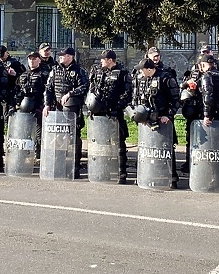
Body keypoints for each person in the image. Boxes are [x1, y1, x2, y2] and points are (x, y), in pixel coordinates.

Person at [86, 49, 133, 184]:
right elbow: (92, 89)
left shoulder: (122, 74)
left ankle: (121, 173)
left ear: (110, 60)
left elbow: (127, 93)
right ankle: (103, 171)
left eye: (103, 59)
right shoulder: (98, 71)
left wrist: (116, 107)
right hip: (99, 114)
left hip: (114, 114)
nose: (101, 61)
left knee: (119, 144)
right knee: (101, 144)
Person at [133, 58, 180, 189]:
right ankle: (146, 176)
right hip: (146, 121)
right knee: (146, 149)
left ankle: (172, 178)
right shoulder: (141, 79)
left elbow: (176, 99)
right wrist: (139, 115)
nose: (140, 72)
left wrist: (168, 115)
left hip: (163, 120)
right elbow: (137, 98)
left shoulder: (165, 78)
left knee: (166, 150)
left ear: (149, 69)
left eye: (142, 69)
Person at [44, 47, 88, 178]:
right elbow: (49, 88)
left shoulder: (79, 70)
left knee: (73, 138)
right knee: (58, 138)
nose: (60, 57)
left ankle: (74, 167)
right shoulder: (55, 69)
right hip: (57, 109)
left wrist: (70, 93)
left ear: (70, 57)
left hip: (72, 109)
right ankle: (59, 166)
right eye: (60, 56)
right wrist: (47, 104)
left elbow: (84, 86)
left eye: (63, 55)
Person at [11, 50, 48, 158]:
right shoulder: (23, 75)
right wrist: (16, 105)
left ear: (39, 60)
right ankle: (25, 154)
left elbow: (47, 92)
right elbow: (17, 91)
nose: (32, 61)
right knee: (24, 133)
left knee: (39, 135)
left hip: (38, 108)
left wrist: (42, 107)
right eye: (30, 58)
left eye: (34, 58)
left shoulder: (44, 75)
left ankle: (40, 156)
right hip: (24, 109)